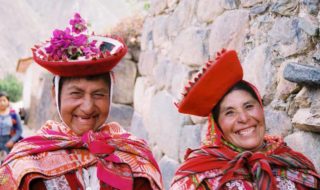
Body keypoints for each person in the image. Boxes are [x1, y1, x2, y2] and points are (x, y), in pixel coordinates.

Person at [0, 13, 162, 190]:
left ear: (111, 95)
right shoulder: (26, 165)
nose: (88, 107)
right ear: (55, 95)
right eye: (76, 94)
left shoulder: (135, 156)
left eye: (99, 94)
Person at [170, 49, 320, 189]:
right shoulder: (197, 176)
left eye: (248, 106)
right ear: (217, 125)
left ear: (261, 108)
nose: (244, 118)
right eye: (230, 112)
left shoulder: (296, 164)